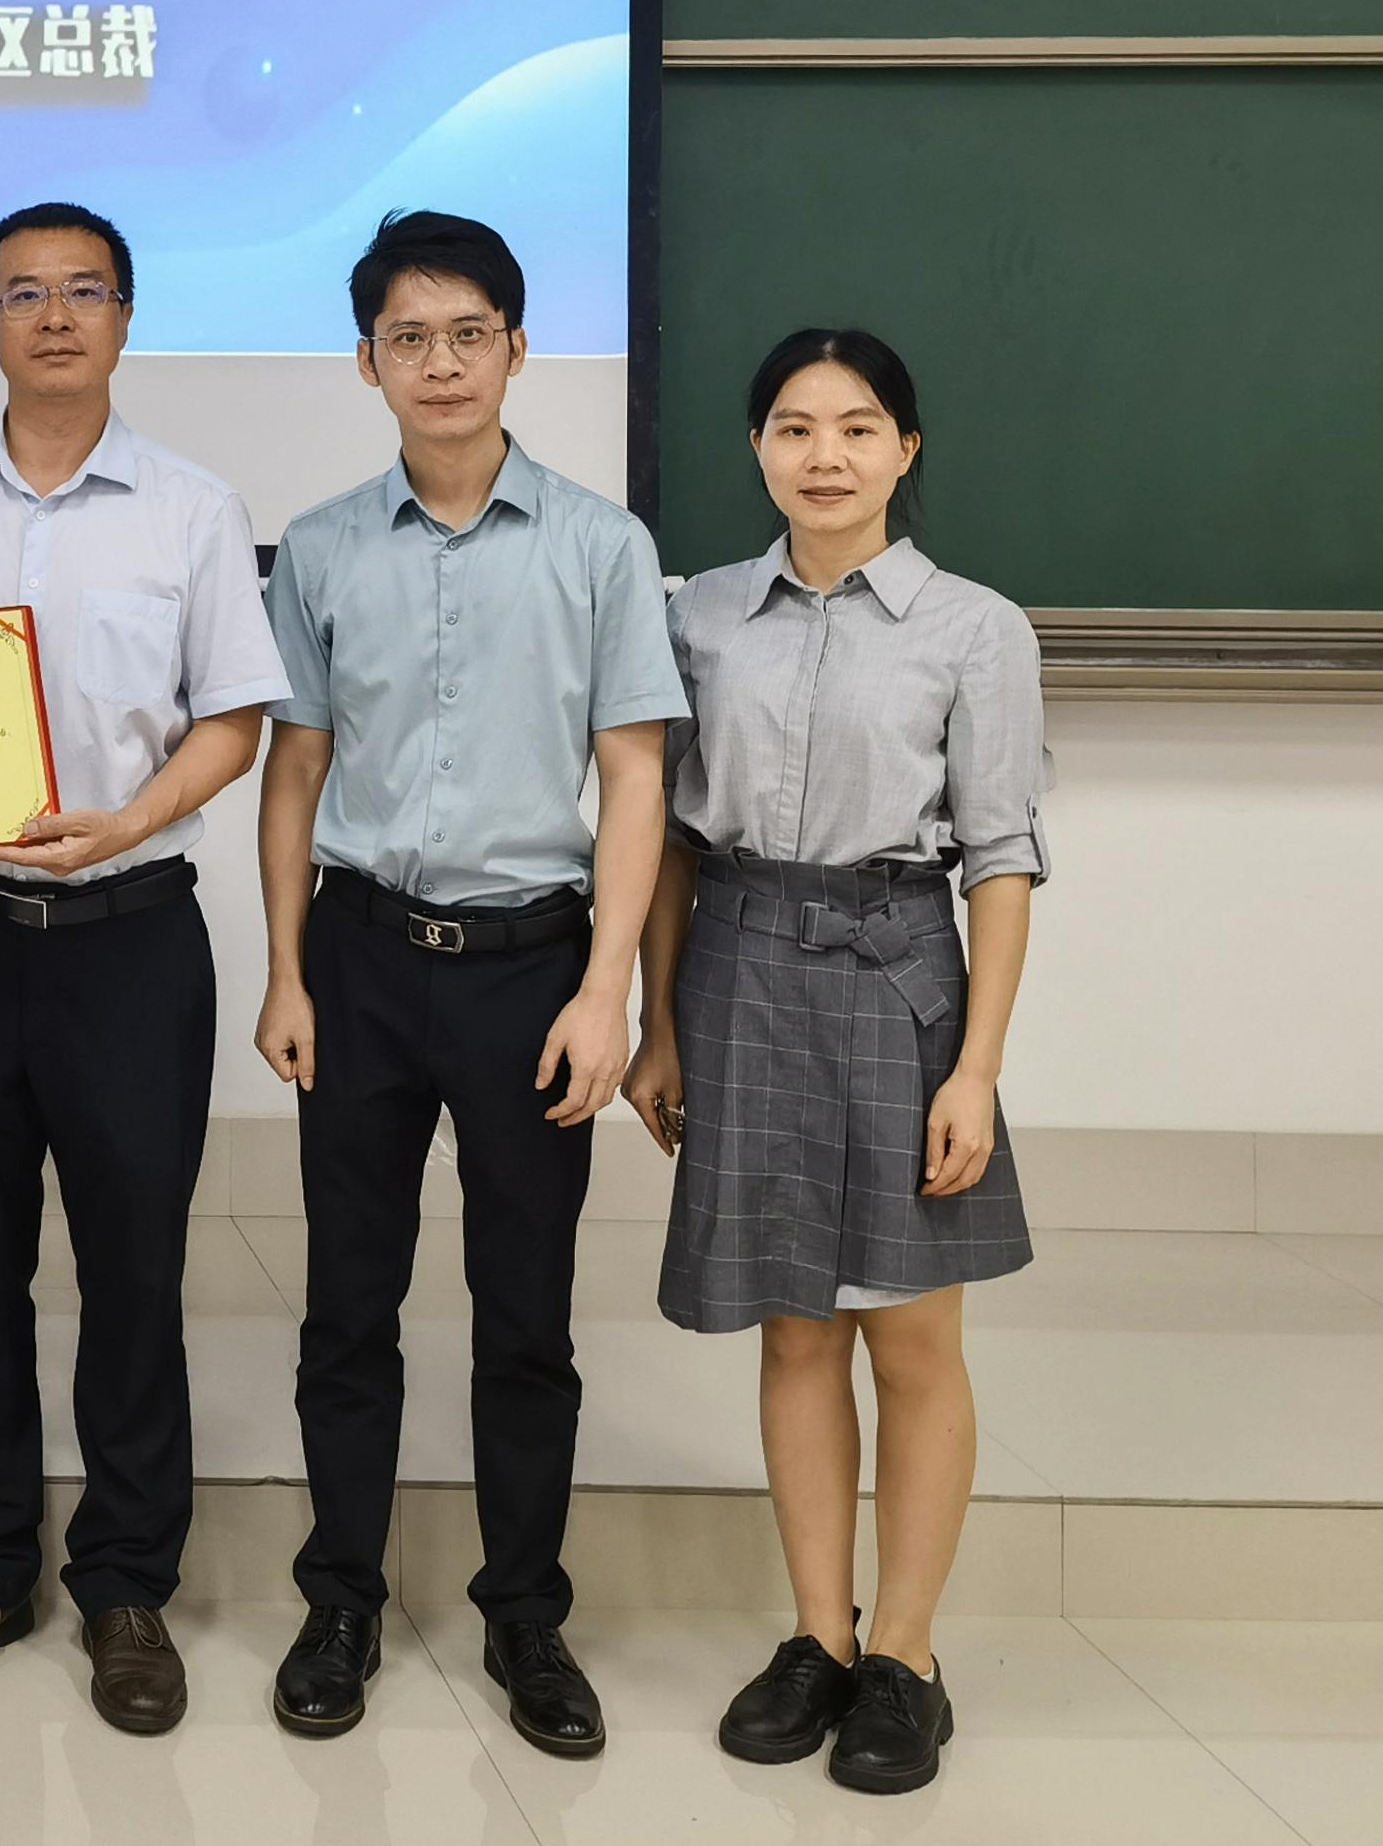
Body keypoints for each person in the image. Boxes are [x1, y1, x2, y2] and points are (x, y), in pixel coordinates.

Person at [0, 202, 289, 1739]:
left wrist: (129, 822)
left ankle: (127, 1583)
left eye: (84, 290)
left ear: (126, 317)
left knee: (133, 1270)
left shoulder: (191, 509)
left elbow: (233, 718)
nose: (55, 316)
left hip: (129, 934)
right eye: (23, 293)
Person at [255, 209, 685, 1755]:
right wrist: (285, 970)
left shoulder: (600, 546)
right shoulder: (318, 547)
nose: (438, 363)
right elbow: (294, 771)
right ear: (364, 362)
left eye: (467, 335)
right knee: (345, 1307)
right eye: (407, 338)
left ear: (516, 349)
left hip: (530, 973)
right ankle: (340, 1600)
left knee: (524, 1315)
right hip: (360, 962)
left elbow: (632, 776)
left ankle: (523, 1615)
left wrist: (607, 993)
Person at [621, 329, 1043, 1798]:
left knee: (910, 1337)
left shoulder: (975, 628)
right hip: (736, 968)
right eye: (794, 428)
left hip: (895, 972)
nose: (825, 455)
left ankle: (905, 1659)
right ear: (756, 448)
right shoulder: (696, 616)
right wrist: (658, 1022)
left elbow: (1000, 858)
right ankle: (818, 1635)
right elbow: (671, 840)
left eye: (858, 428)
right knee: (794, 1329)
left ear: (903, 450)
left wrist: (975, 1069)